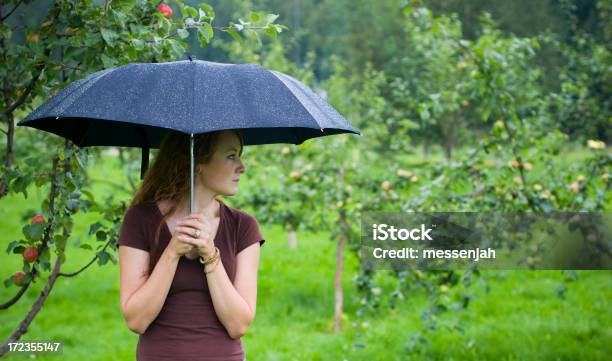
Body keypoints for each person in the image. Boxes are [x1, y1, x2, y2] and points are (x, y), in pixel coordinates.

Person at [117, 130, 265, 361]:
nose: (242, 166)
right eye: (231, 155)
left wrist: (210, 255)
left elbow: (238, 325)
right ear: (198, 163)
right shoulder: (141, 220)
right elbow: (136, 320)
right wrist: (172, 252)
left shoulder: (243, 227)